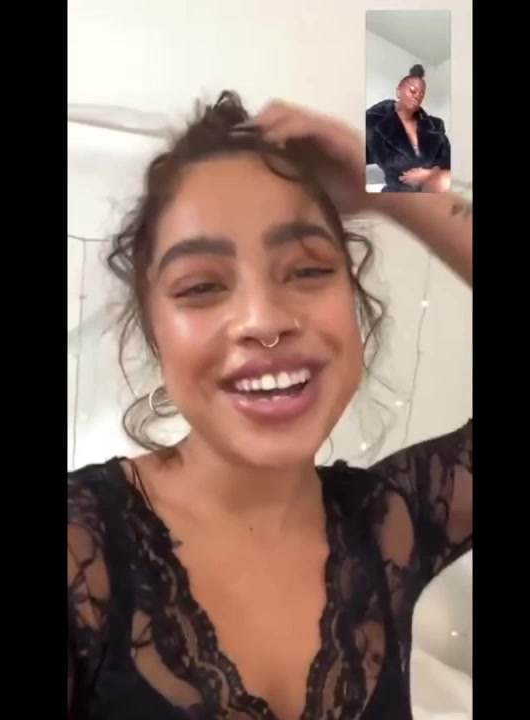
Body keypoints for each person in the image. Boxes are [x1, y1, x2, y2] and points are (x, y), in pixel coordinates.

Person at [67, 90, 473, 720]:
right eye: (201, 285)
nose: (263, 321)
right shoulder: (81, 551)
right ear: (152, 332)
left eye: (307, 271)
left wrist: (389, 187)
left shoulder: (390, 522)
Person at [365, 64, 452, 193]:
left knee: (446, 181)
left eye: (421, 94)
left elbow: (448, 159)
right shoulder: (374, 122)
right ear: (398, 91)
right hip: (398, 193)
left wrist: (430, 173)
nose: (417, 96)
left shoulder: (435, 125)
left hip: (433, 187)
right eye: (413, 90)